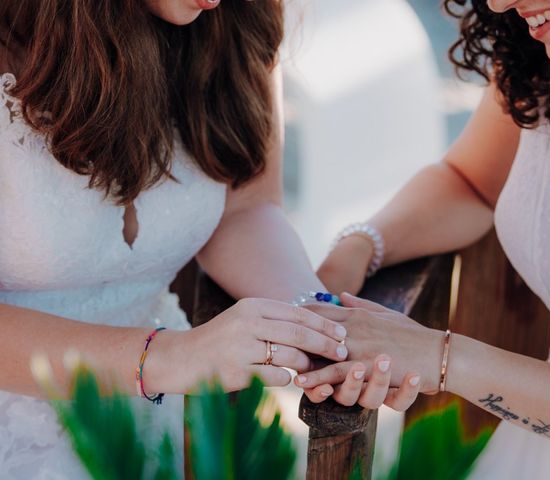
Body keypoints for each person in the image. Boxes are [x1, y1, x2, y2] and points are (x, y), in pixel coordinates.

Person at [0, 1, 423, 477]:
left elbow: (244, 210)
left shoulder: (241, 17)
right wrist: (170, 356)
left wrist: (320, 326)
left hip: (156, 420)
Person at [299, 0, 550, 477]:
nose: (500, 3)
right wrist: (360, 247)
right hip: (531, 458)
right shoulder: (542, 62)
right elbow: (470, 182)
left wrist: (442, 358)